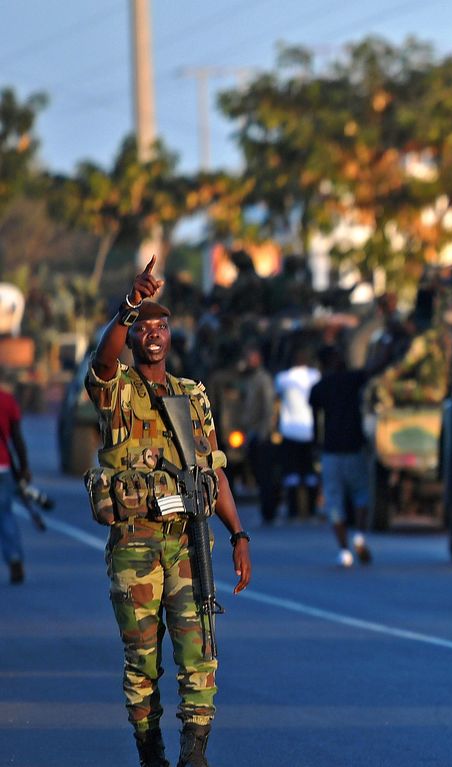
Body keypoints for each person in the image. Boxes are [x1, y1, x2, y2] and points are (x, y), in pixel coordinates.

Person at [84, 257, 252, 767]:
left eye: (161, 326)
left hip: (186, 541)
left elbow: (213, 471)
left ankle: (193, 756)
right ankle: (150, 755)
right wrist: (129, 307)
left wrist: (239, 534)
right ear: (134, 337)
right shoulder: (117, 392)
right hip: (134, 545)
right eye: (144, 328)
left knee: (200, 648)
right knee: (142, 661)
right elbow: (103, 356)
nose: (153, 335)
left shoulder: (192, 396)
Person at [308, 346, 374, 567]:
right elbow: (373, 372)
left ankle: (344, 551)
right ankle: (360, 537)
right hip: (355, 449)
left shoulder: (320, 388)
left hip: (331, 452)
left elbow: (315, 417)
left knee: (334, 502)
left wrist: (315, 446)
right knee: (361, 495)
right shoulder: (354, 380)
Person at [274, 346, 321, 521]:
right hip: (310, 430)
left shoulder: (283, 378)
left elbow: (277, 399)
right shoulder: (315, 376)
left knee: (292, 473)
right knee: (310, 471)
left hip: (290, 430)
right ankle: (311, 509)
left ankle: (294, 510)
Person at [236, 344, 281, 525]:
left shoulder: (263, 379)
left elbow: (269, 407)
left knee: (266, 475)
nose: (247, 361)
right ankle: (266, 509)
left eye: (250, 357)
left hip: (263, 434)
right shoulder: (250, 379)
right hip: (253, 433)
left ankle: (269, 510)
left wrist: (264, 432)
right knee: (258, 473)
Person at [0, 372, 31, 583]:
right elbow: (17, 438)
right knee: (5, 516)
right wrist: (24, 467)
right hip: (3, 468)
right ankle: (14, 560)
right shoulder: (7, 401)